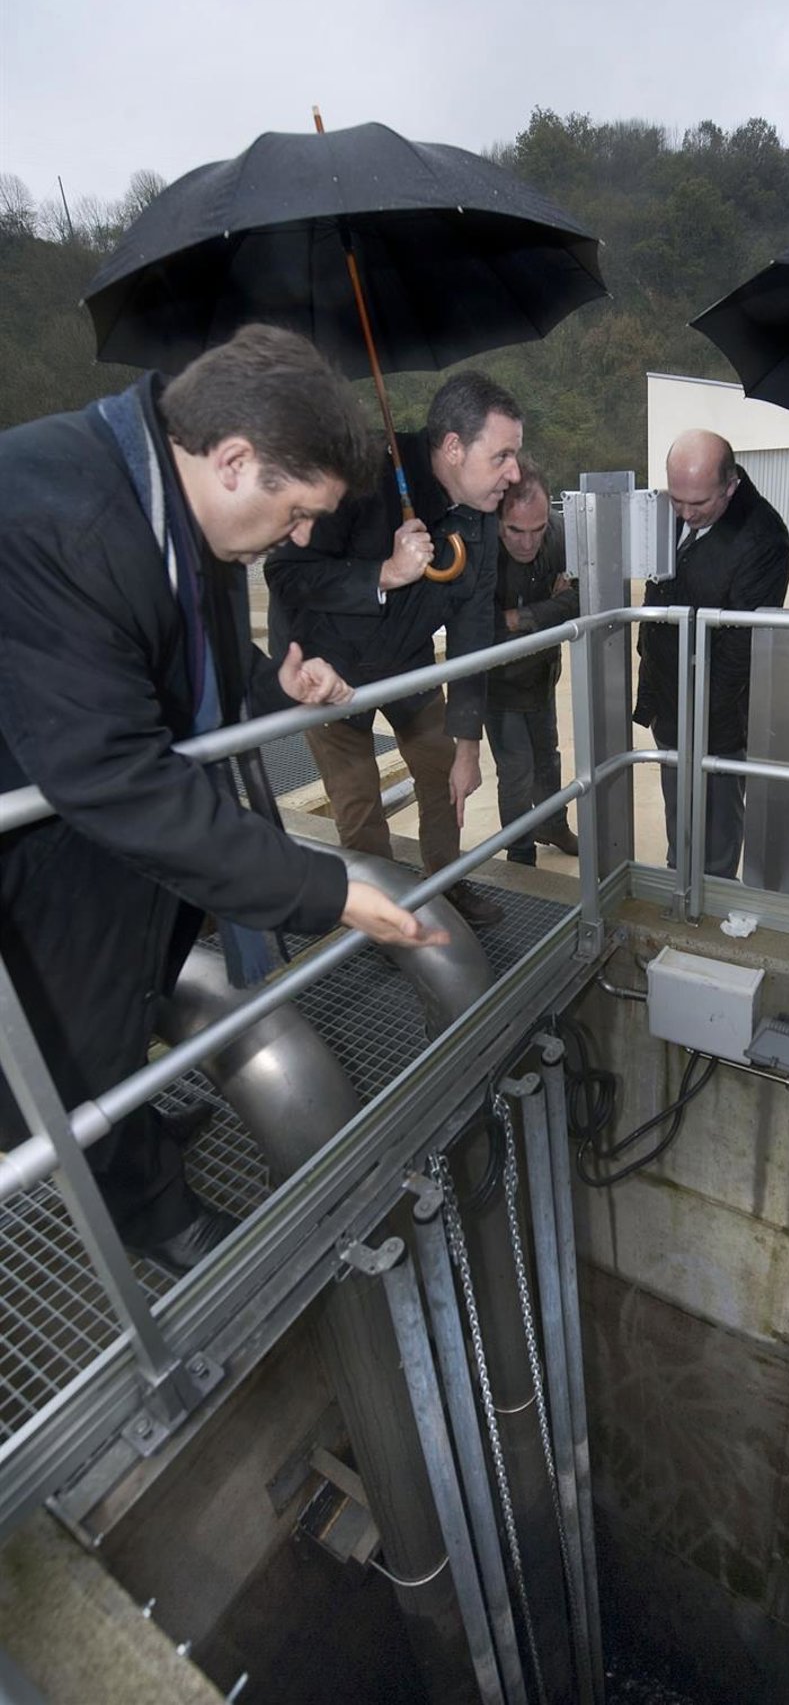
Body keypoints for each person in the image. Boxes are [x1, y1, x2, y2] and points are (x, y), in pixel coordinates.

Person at [0, 326, 446, 1274]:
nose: (300, 538)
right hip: (40, 844)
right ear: (237, 460)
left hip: (92, 827)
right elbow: (118, 778)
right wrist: (329, 892)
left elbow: (193, 648)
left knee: (133, 996)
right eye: (298, 513)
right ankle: (151, 1213)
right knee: (74, 1033)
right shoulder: (61, 518)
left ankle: (134, 1123)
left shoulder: (167, 489)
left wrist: (275, 684)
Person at [266, 372, 526, 930]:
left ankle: (446, 885)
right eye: (502, 456)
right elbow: (285, 574)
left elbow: (472, 632)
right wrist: (382, 573)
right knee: (358, 803)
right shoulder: (354, 475)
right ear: (453, 447)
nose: (516, 473)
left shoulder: (479, 516)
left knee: (442, 771)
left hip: (406, 665)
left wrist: (467, 741)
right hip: (328, 669)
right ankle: (380, 915)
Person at [633, 430, 789, 877]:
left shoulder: (764, 539)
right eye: (677, 499)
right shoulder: (672, 513)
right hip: (668, 698)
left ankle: (715, 892)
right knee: (679, 810)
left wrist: (698, 719)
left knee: (717, 820)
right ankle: (679, 879)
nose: (685, 513)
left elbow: (740, 651)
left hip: (718, 715)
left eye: (698, 504)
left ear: (730, 485)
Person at [485, 454, 580, 866]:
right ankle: (520, 852)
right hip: (497, 682)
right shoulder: (477, 549)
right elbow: (477, 627)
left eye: (537, 529)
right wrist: (549, 609)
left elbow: (581, 599)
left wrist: (517, 618)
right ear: (496, 519)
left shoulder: (559, 535)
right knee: (516, 770)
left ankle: (553, 825)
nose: (528, 543)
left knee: (548, 756)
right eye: (515, 530)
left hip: (542, 672)